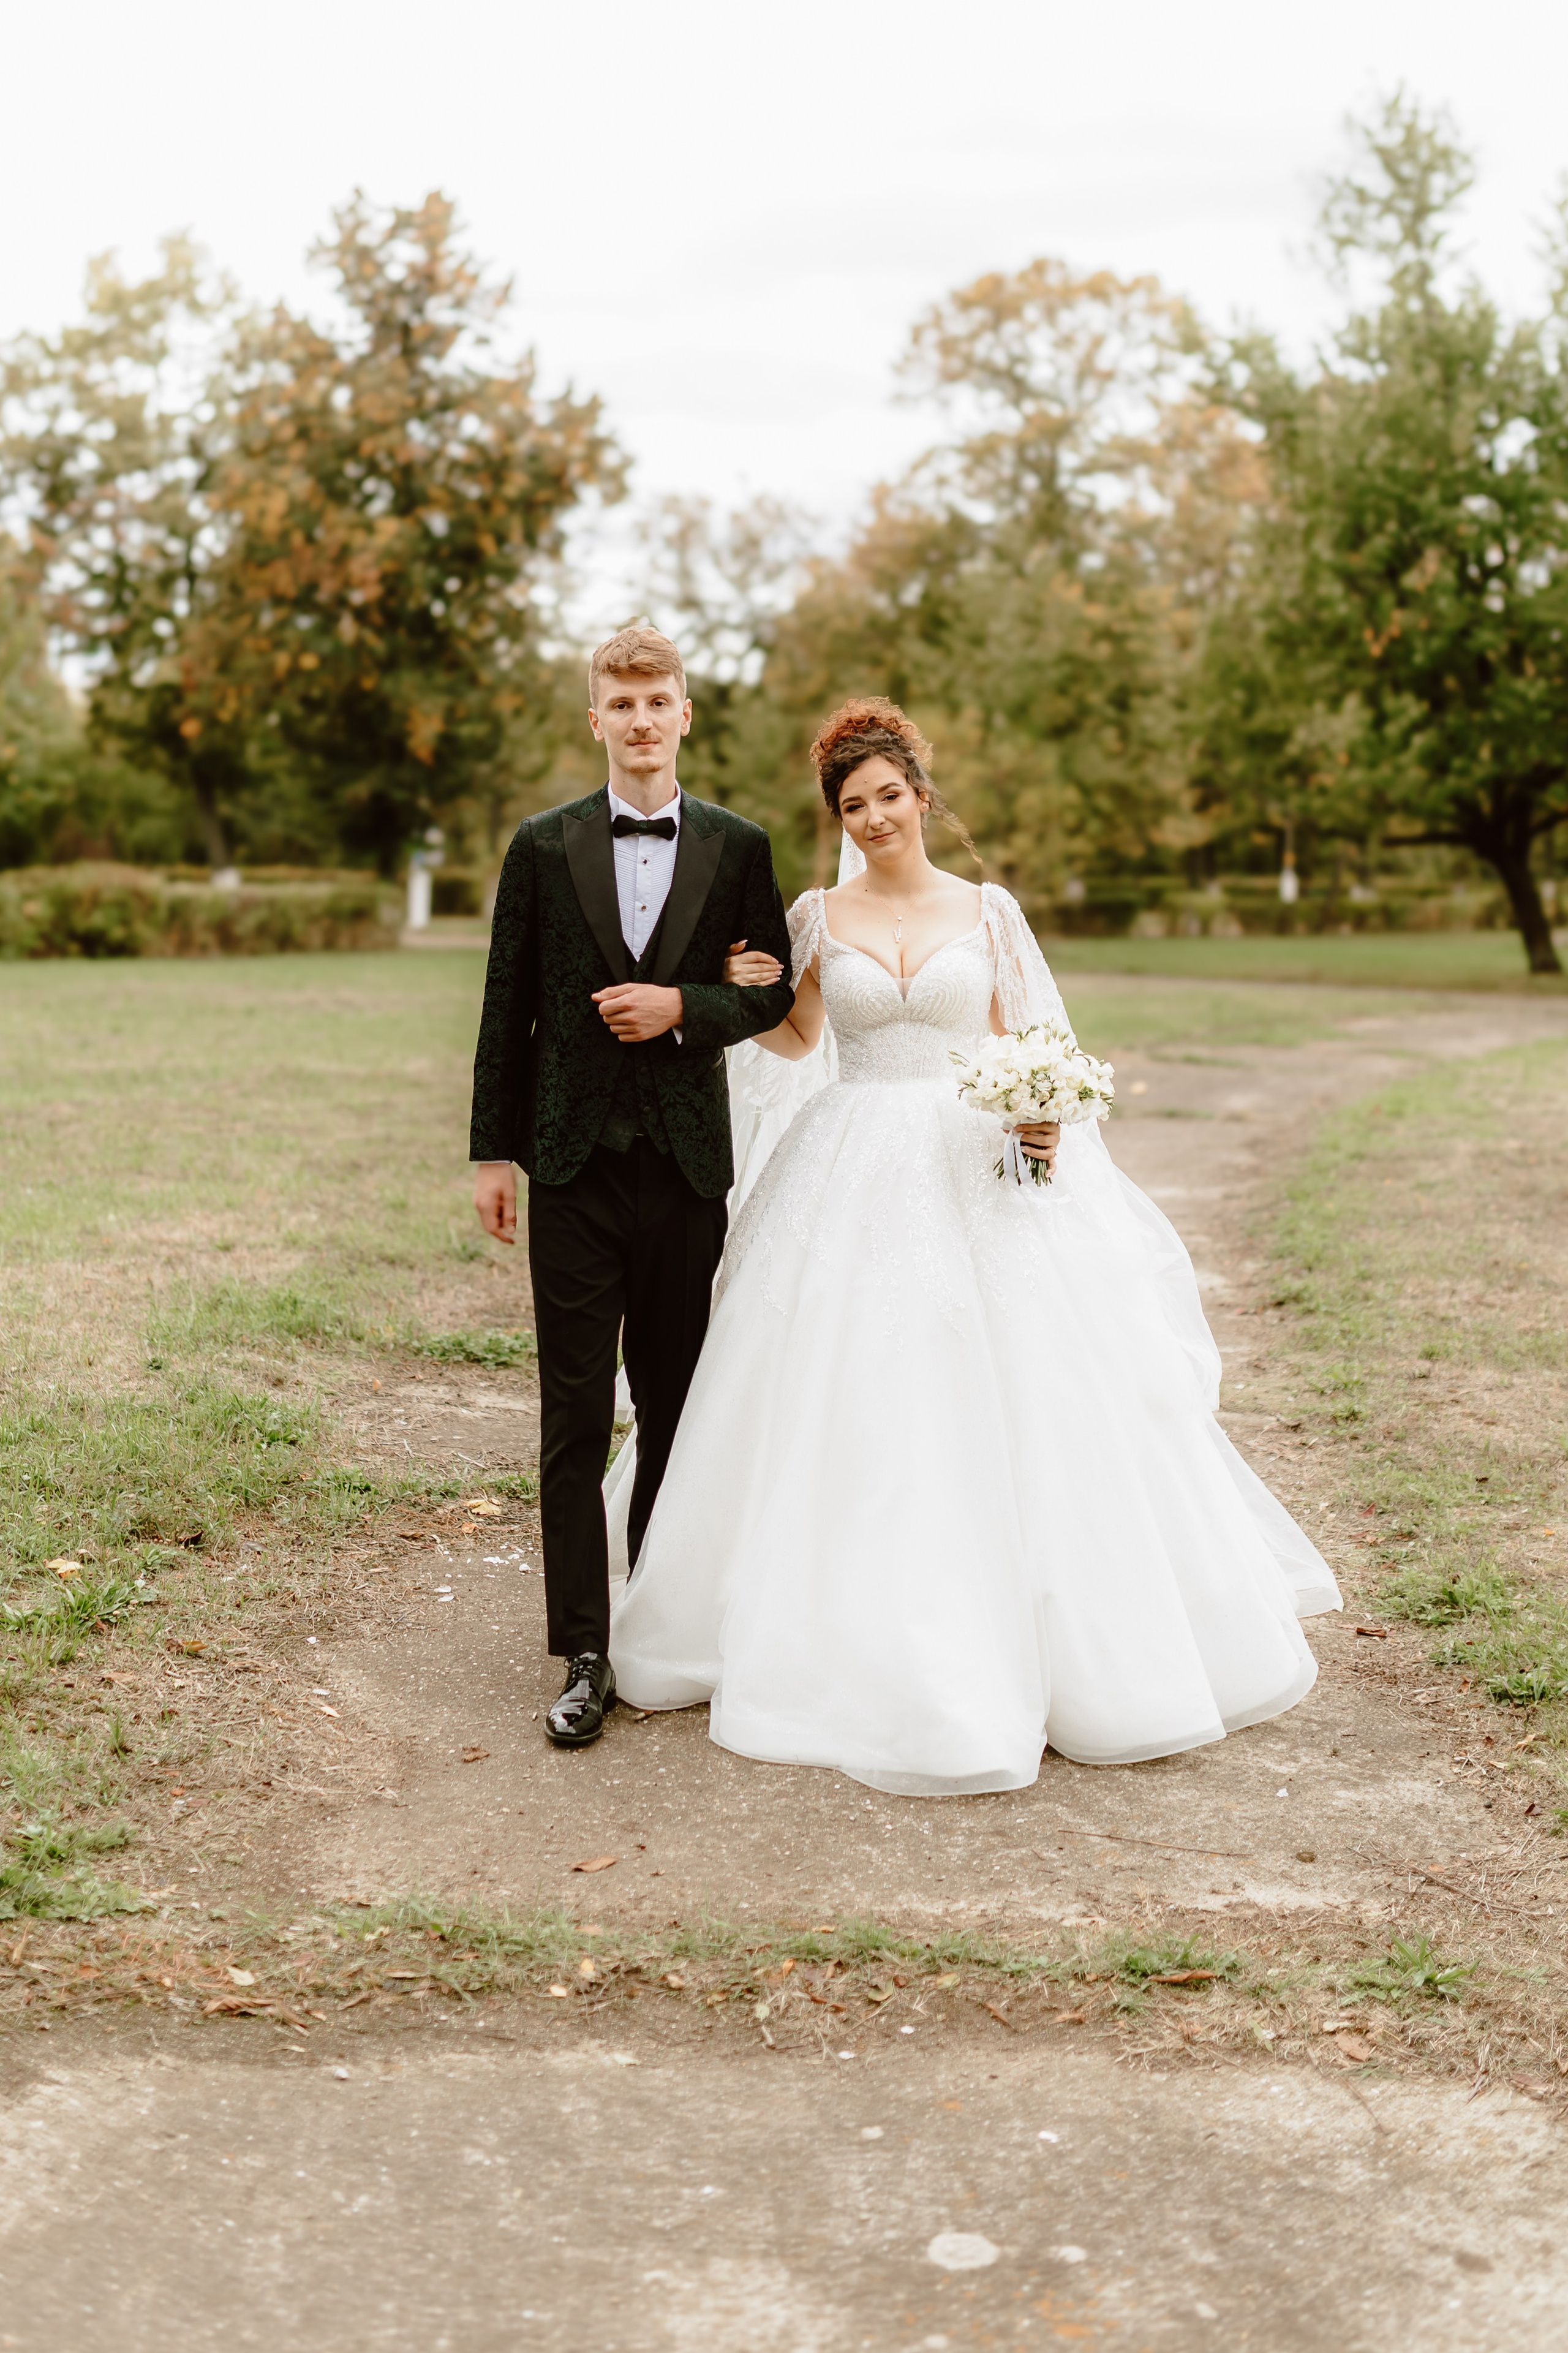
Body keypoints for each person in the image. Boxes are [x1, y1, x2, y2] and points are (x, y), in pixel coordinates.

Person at [608, 697, 1341, 1796]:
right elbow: (802, 1037)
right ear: (838, 817)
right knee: (841, 1383)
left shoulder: (989, 910)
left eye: (889, 797)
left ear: (921, 792)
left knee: (1019, 1385)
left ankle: (1064, 1632)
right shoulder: (814, 913)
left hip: (969, 1161)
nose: (874, 819)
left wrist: (1040, 1120)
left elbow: (1033, 1044)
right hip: (847, 1161)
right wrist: (745, 990)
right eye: (853, 806)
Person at [469, 627, 794, 1747]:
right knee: (572, 1413)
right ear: (595, 718)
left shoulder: (740, 846)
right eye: (623, 700)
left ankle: (658, 1623)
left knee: (674, 1406)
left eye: (660, 699)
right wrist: (490, 1152)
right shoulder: (541, 845)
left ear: (687, 714)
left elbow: (771, 993)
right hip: (568, 1164)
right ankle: (585, 1650)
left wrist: (682, 1009)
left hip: (688, 1166)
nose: (643, 718)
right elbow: (507, 998)